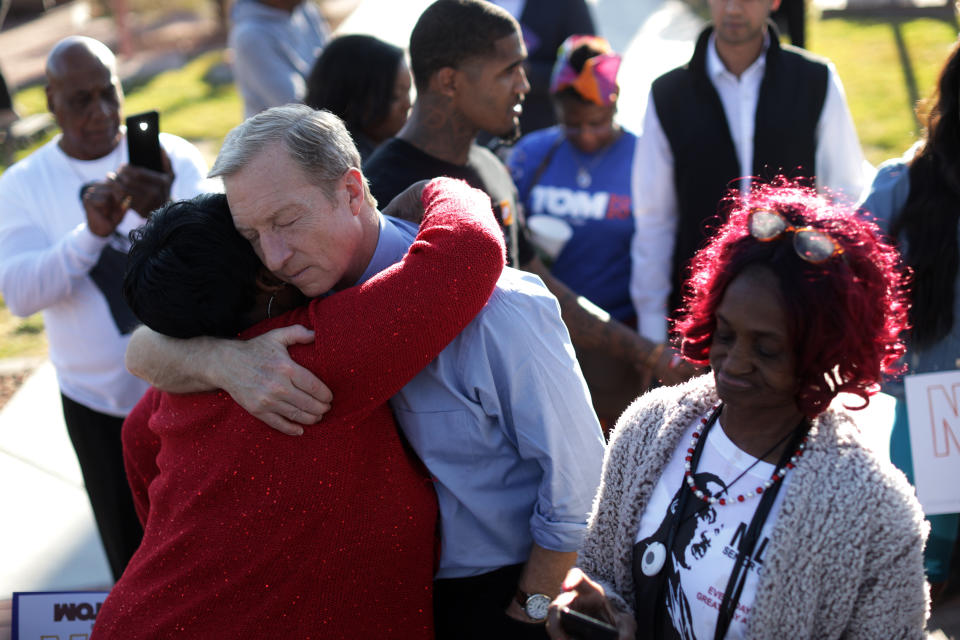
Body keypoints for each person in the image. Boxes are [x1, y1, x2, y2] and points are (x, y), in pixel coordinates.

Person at [124, 104, 606, 639]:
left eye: (285, 221)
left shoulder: (500, 311)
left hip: (498, 594)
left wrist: (529, 612)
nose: (275, 257)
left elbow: (579, 483)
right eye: (252, 235)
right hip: (387, 604)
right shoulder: (280, 325)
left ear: (352, 191)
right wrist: (220, 360)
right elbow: (144, 373)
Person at [92, 177, 505, 637]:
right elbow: (468, 253)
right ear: (266, 275)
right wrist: (438, 187)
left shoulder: (185, 376)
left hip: (136, 618)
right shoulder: (313, 349)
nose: (276, 239)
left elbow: (136, 435)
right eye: (255, 234)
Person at [546, 181, 929, 639]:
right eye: (725, 334)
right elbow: (602, 572)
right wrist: (600, 609)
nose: (734, 363)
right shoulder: (648, 428)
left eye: (767, 350)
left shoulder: (874, 513)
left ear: (823, 353)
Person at [365, 0, 692, 415]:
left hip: (518, 421)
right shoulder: (384, 188)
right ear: (449, 81)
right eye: (508, 71)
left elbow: (541, 288)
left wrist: (650, 355)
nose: (525, 85)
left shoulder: (493, 170)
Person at [0, 36, 210, 581]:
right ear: (50, 101)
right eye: (80, 100)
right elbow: (20, 295)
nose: (102, 114)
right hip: (95, 404)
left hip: (192, 388)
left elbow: (220, 269)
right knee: (132, 560)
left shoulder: (174, 158)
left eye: (109, 94)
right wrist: (88, 236)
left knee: (208, 549)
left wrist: (164, 212)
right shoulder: (22, 185)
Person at [629, 0, 869, 347]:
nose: (734, 8)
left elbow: (844, 201)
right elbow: (654, 219)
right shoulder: (668, 94)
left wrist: (837, 303)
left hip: (797, 306)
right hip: (701, 312)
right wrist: (653, 328)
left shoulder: (815, 80)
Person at [857, 39, 960, 602]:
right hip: (937, 400)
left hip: (938, 397)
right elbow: (847, 255)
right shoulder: (908, 181)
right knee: (926, 561)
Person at [508, 35, 643, 422]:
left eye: (596, 123)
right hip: (543, 333)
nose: (585, 134)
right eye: (572, 125)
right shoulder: (531, 154)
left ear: (614, 100)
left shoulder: (645, 158)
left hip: (616, 336)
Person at [487, 0, 596, 137]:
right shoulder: (465, 5)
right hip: (477, 135)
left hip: (543, 131)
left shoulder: (567, 4)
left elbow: (589, 66)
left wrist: (528, 72)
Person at [304, 34, 412, 163]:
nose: (408, 105)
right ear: (351, 98)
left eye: (408, 91)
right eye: (395, 97)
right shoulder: (351, 167)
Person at [229, 0, 329, 118]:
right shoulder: (250, 35)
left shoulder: (306, 9)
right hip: (288, 132)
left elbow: (330, 64)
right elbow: (295, 108)